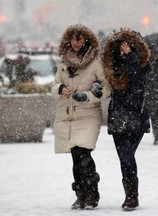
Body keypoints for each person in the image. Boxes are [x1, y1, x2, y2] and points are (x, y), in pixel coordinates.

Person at [51, 24, 111, 210]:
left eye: (80, 39)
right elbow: (54, 85)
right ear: (69, 40)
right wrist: (61, 89)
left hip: (88, 115)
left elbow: (107, 88)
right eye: (73, 39)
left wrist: (88, 96)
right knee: (76, 157)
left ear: (86, 40)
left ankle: (92, 192)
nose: (76, 43)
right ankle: (81, 195)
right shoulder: (63, 62)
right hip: (68, 114)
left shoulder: (95, 62)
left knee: (82, 152)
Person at [102, 29, 151, 211]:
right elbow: (109, 83)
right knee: (124, 158)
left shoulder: (142, 64)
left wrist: (130, 57)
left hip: (136, 116)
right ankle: (129, 195)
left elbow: (137, 82)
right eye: (121, 46)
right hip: (118, 116)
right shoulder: (112, 65)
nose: (123, 50)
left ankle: (132, 196)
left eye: (127, 46)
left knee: (127, 155)